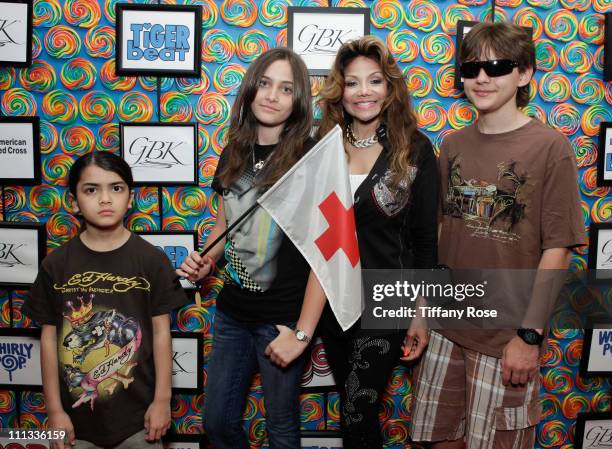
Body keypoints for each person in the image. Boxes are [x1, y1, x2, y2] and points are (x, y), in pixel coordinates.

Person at [408, 22, 585, 449]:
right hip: (446, 328)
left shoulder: (549, 147)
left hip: (505, 338)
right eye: (471, 69)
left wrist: (529, 337)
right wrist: (420, 311)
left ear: (524, 74)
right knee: (435, 440)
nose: (482, 77)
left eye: (497, 66)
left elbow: (557, 251)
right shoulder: (451, 144)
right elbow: (438, 234)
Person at [177, 48, 325, 449]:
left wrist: (301, 333)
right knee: (218, 424)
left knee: (281, 430)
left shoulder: (311, 159)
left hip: (281, 320)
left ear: (299, 102)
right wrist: (206, 260)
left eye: (286, 88)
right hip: (231, 314)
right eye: (264, 83)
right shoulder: (235, 151)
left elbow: (326, 255)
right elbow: (226, 225)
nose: (272, 95)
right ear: (250, 89)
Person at [316, 36, 438, 449]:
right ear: (340, 89)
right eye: (352, 83)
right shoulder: (322, 146)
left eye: (374, 81)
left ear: (390, 88)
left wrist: (420, 315)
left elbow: (425, 243)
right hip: (330, 303)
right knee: (352, 414)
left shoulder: (415, 150)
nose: (363, 92)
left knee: (357, 416)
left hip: (386, 302)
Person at [23, 151, 188, 449]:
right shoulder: (56, 265)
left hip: (139, 418)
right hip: (76, 423)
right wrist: (55, 410)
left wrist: (162, 401)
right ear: (73, 202)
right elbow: (48, 339)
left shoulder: (152, 260)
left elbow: (163, 333)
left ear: (130, 198)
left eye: (116, 188)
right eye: (91, 190)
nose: (105, 199)